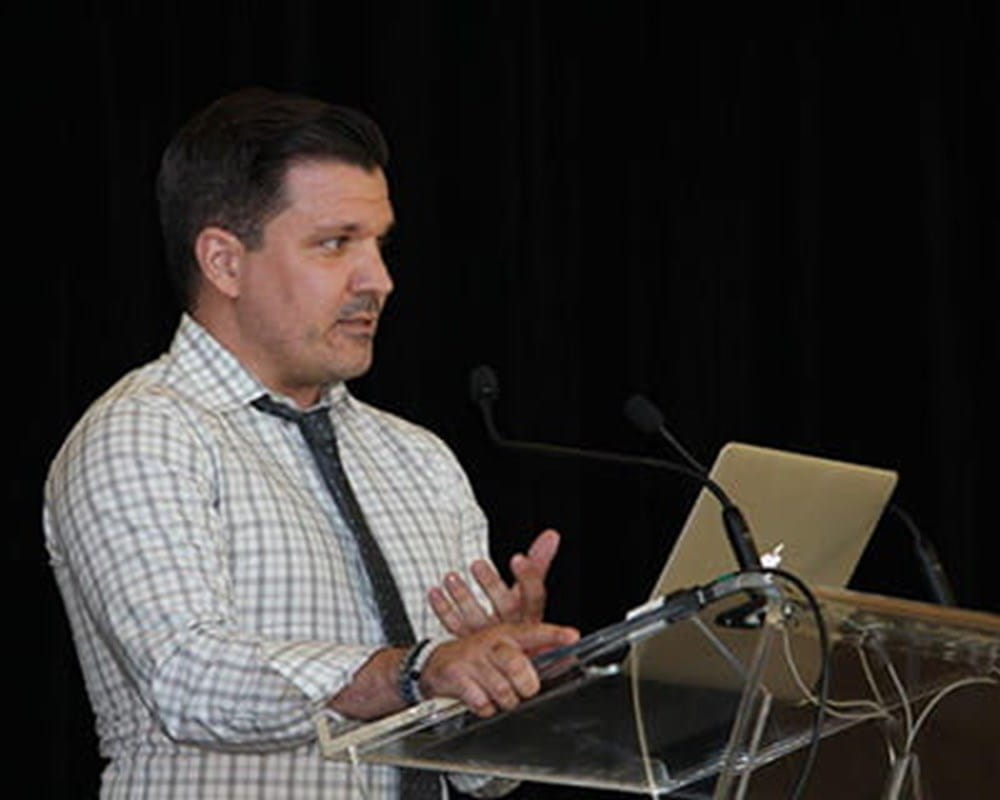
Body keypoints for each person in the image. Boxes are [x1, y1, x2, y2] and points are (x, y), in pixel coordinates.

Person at [43, 87, 578, 799]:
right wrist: (416, 669)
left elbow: (476, 778)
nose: (380, 281)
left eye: (380, 245)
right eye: (335, 244)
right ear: (225, 262)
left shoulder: (418, 459)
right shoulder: (143, 433)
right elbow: (190, 678)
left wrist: (501, 682)